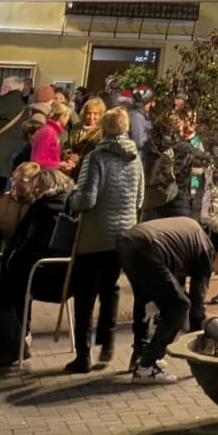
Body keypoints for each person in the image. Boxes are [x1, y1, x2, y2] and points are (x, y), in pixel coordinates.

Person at [65, 106, 143, 372]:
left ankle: (83, 355)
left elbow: (87, 199)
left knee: (84, 293)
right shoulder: (135, 157)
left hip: (95, 234)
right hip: (124, 234)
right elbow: (140, 198)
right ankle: (107, 339)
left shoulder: (96, 157)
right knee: (110, 287)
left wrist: (72, 198)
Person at [119, 215, 218, 383]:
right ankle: (146, 367)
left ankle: (140, 355)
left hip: (128, 241)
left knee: (144, 297)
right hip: (149, 246)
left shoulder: (192, 232)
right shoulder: (206, 249)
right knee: (179, 305)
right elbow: (196, 307)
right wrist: (197, 353)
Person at [0, 167, 76, 370]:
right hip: (65, 274)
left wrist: (9, 262)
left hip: (43, 274)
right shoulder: (70, 205)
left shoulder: (43, 209)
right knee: (9, 280)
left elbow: (30, 247)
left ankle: (12, 341)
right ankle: (11, 341)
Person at [140, 111, 204, 222]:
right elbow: (202, 160)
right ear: (176, 128)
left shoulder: (149, 146)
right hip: (177, 199)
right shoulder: (183, 147)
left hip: (152, 199)